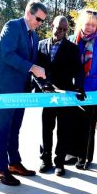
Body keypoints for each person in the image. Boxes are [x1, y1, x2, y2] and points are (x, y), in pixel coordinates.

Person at [0, 0, 47, 186]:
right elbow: (7, 54)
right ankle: (0, 169)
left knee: (15, 127)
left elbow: (34, 63)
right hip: (7, 86)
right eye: (38, 19)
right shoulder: (12, 26)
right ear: (29, 13)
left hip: (22, 88)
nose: (40, 24)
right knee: (4, 128)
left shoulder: (34, 36)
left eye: (42, 21)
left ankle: (14, 163)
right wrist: (31, 67)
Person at [35, 16, 84, 176]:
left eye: (64, 29)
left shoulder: (73, 48)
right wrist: (43, 85)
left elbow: (78, 70)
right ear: (52, 26)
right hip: (47, 96)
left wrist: (79, 86)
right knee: (46, 129)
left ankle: (59, 162)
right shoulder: (40, 45)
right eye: (59, 28)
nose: (61, 32)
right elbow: (34, 70)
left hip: (65, 95)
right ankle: (45, 159)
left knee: (63, 130)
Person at [69, 9, 97, 170]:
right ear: (81, 23)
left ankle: (84, 157)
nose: (90, 28)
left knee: (88, 125)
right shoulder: (72, 40)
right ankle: (72, 153)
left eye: (93, 25)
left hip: (94, 90)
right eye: (87, 24)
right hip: (74, 89)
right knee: (73, 122)